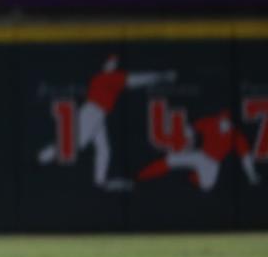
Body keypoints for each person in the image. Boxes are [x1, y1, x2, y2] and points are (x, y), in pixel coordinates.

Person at [37, 55, 173, 191]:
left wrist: (161, 76)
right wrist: (163, 75)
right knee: (75, 144)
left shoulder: (106, 77)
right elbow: (138, 80)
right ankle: (41, 158)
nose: (113, 64)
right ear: (104, 64)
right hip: (92, 113)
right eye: (110, 62)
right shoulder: (107, 78)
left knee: (104, 149)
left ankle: (100, 181)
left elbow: (135, 80)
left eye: (115, 62)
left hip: (97, 114)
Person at [137, 108, 260, 191]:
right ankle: (139, 178)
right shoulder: (211, 122)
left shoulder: (237, 136)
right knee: (170, 160)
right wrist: (187, 141)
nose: (223, 122)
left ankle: (192, 178)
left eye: (226, 121)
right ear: (219, 117)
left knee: (207, 187)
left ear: (232, 123)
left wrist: (251, 175)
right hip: (200, 155)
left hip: (213, 163)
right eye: (222, 119)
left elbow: (246, 158)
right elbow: (189, 129)